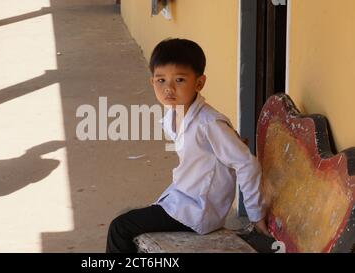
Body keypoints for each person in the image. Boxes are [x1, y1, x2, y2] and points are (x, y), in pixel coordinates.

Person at [106, 38, 270, 253]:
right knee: (130, 224)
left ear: (199, 83)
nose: (169, 89)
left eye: (180, 80)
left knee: (120, 227)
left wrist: (256, 216)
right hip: (181, 198)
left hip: (196, 210)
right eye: (161, 80)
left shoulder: (209, 123)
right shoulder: (173, 112)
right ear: (152, 82)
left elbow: (247, 165)